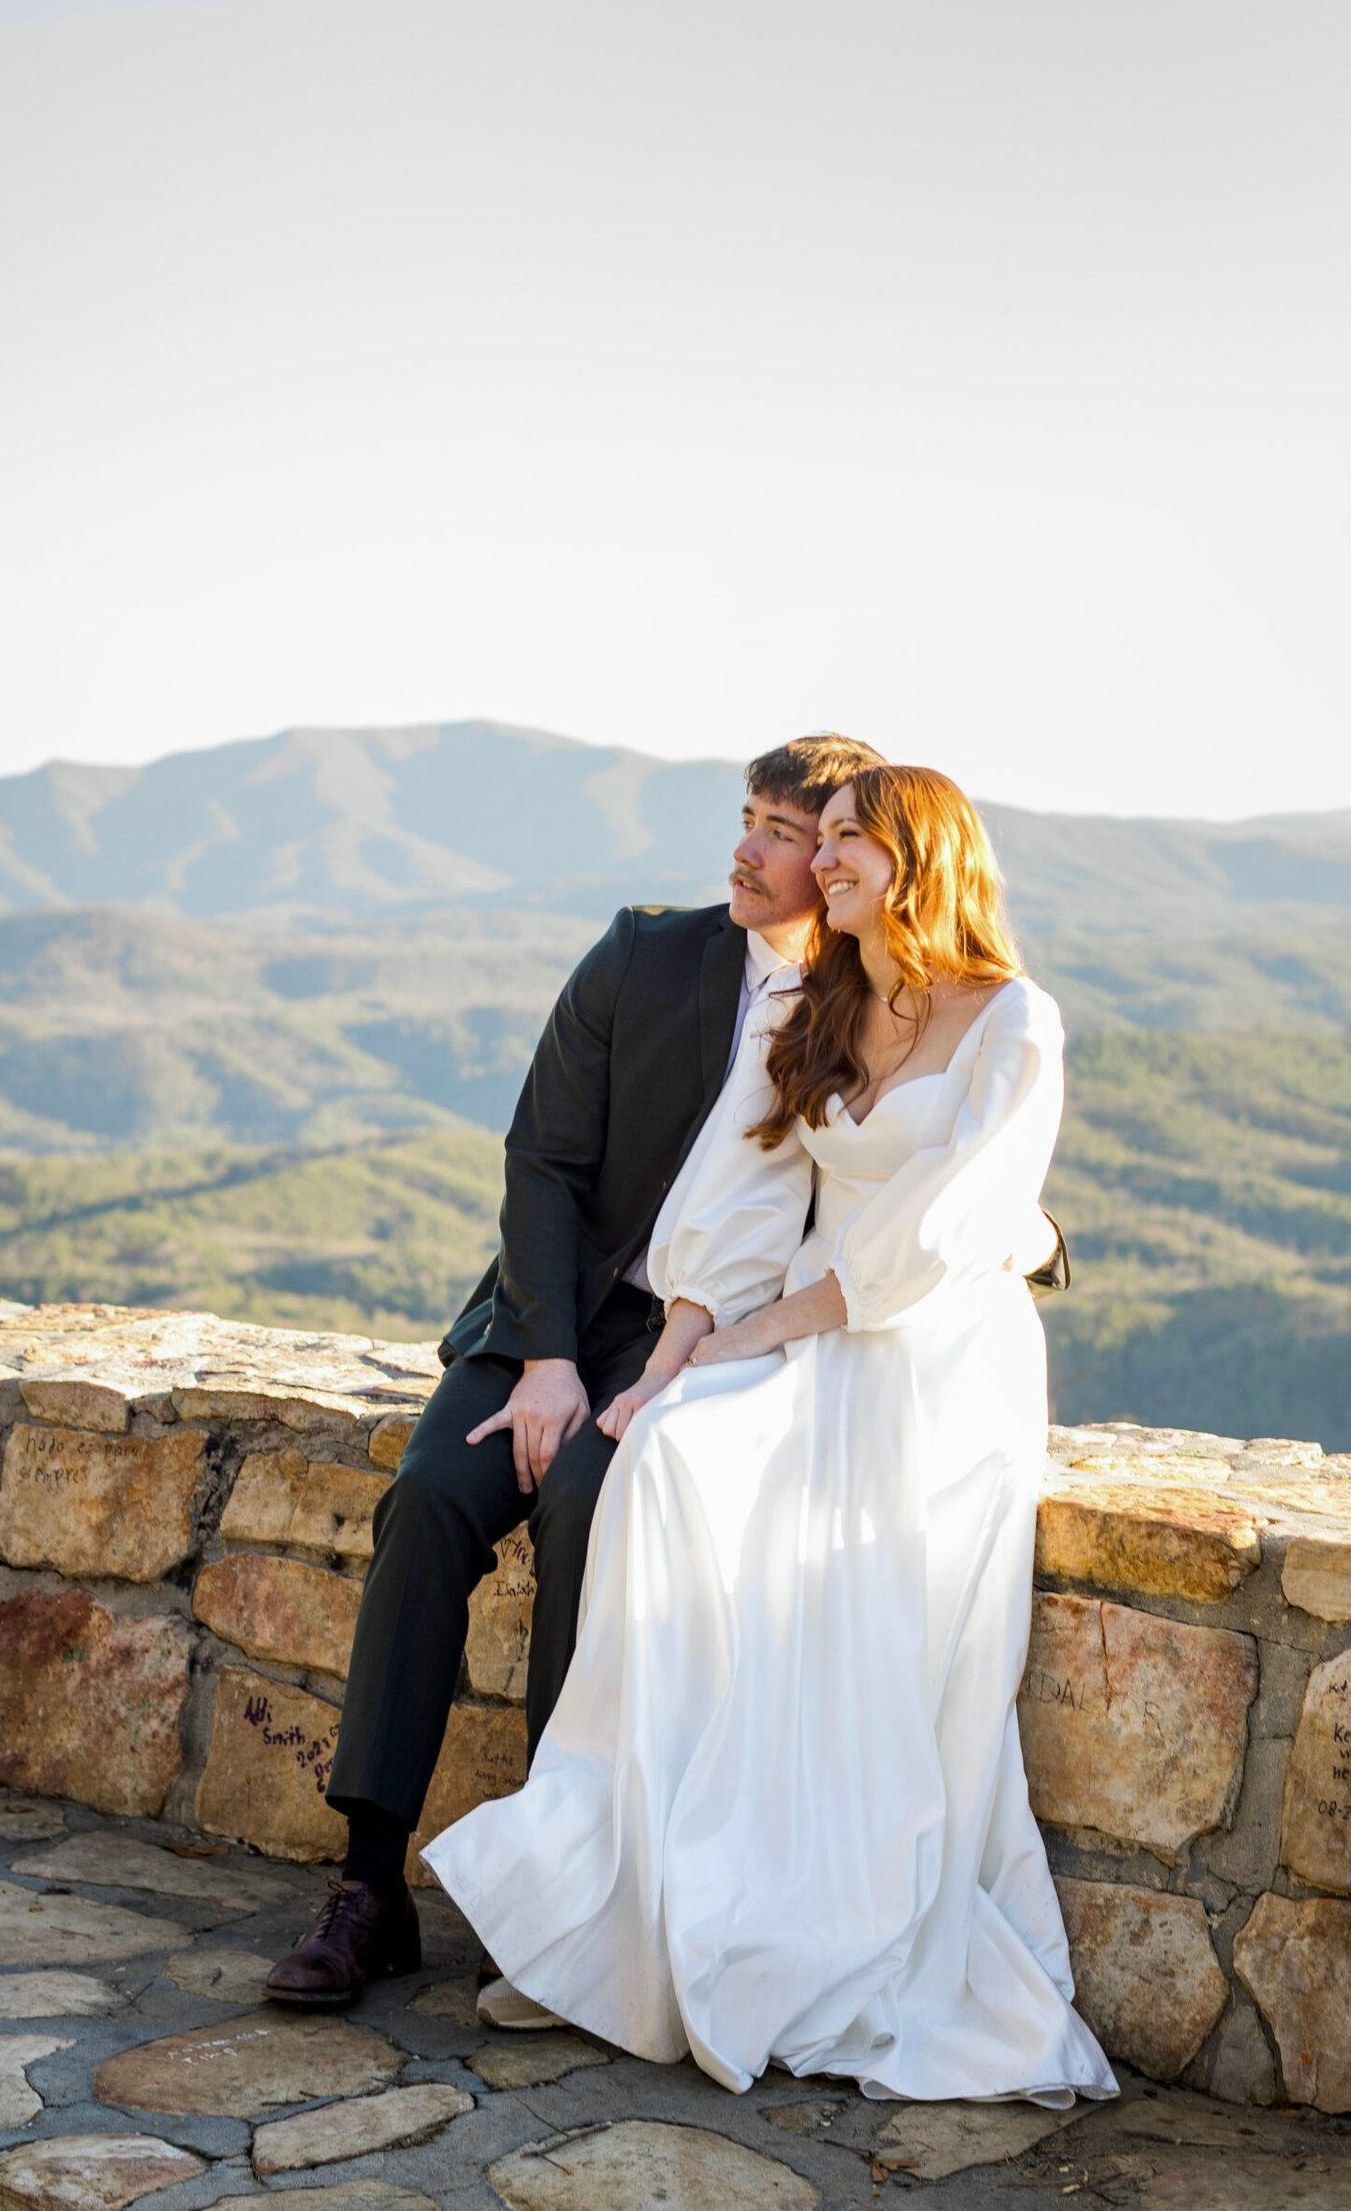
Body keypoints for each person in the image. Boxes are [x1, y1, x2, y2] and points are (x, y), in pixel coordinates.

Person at [423, 766, 1117, 2104]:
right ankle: (615, 1917)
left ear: (920, 862)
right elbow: (736, 1198)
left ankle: (800, 1929)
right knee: (669, 1461)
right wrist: (668, 1365)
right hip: (808, 1334)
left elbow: (953, 1231)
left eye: (850, 841)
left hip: (933, 1362)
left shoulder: (1012, 1019)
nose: (825, 863)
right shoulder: (821, 1002)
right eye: (828, 839)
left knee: (860, 1642)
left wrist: (761, 1335)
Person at [263, 732, 890, 2010]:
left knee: (588, 1506)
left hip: (693, 1347)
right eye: (750, 816)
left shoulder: (865, 1000)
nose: (750, 847)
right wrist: (544, 1357)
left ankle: (550, 1892)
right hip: (545, 1321)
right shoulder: (641, 952)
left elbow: (937, 1158)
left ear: (837, 857)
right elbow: (540, 1160)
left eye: (785, 829)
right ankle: (367, 1885)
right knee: (432, 1498)